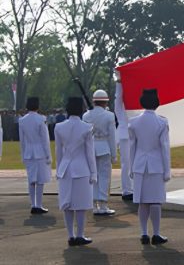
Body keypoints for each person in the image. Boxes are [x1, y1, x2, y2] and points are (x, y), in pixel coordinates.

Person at [129, 89, 170, 245]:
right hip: (155, 164)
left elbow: (132, 147)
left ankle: (144, 233)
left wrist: (131, 168)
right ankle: (157, 233)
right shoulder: (162, 122)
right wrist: (167, 170)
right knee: (155, 201)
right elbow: (164, 147)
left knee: (143, 201)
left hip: (139, 164)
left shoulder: (134, 122)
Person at [55, 97, 97, 246]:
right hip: (82, 168)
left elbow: (59, 152)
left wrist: (58, 170)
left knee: (67, 203)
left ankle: (70, 235)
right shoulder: (87, 127)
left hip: (65, 168)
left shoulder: (59, 127)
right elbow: (90, 154)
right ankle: (80, 234)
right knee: (80, 205)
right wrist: (94, 173)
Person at [83, 89, 117, 215]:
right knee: (104, 176)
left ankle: (93, 204)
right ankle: (103, 204)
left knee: (93, 176)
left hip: (90, 147)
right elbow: (112, 137)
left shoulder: (86, 115)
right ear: (105, 102)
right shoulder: (109, 115)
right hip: (104, 147)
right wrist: (114, 154)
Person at [18, 97, 52, 214]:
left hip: (28, 152)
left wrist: (23, 154)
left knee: (31, 180)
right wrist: (48, 155)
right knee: (40, 180)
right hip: (40, 151)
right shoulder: (41, 119)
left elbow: (22, 140)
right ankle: (38, 204)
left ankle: (33, 204)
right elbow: (45, 139)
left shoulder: (22, 120)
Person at [115, 74, 133, 200]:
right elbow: (118, 98)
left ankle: (135, 189)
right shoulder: (120, 108)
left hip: (135, 134)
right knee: (126, 164)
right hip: (125, 136)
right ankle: (127, 190)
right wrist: (119, 83)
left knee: (136, 164)